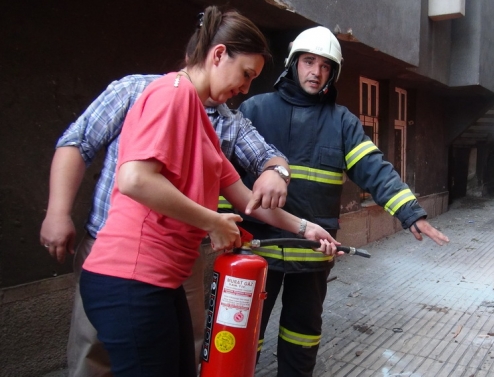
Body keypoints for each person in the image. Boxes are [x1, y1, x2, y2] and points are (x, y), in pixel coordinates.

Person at [42, 8, 336, 377]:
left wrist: (306, 228)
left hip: (162, 278)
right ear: (217, 55)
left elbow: (248, 201)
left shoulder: (207, 123)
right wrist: (213, 221)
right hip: (129, 276)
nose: (246, 88)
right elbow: (134, 179)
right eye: (245, 74)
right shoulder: (172, 93)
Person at [238, 26, 450, 376]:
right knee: (245, 337)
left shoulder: (342, 122)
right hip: (257, 250)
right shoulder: (255, 110)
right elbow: (225, 176)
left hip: (313, 253)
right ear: (293, 63)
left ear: (332, 73)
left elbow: (374, 169)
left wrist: (412, 213)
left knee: (301, 338)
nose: (316, 72)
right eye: (308, 62)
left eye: (325, 66)